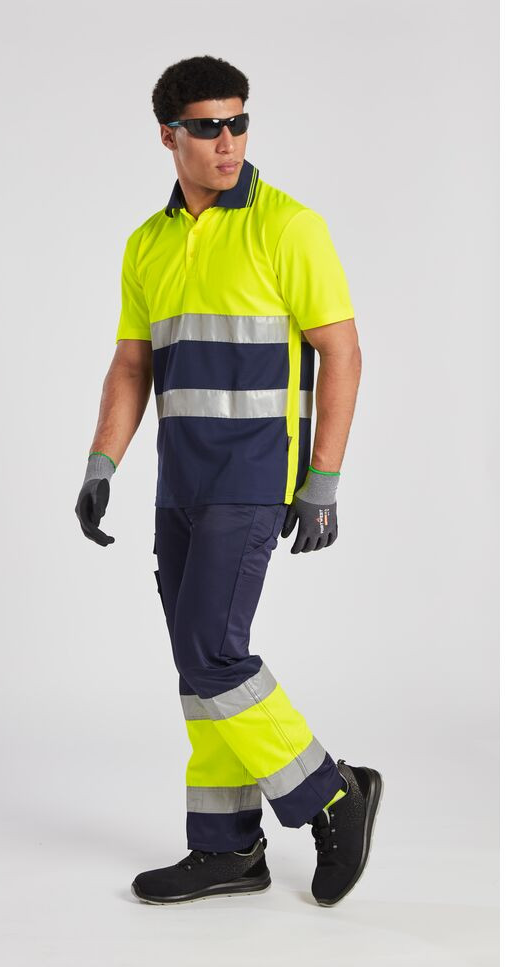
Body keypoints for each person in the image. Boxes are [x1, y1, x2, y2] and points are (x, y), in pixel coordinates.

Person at [75, 55, 383, 907]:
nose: (227, 141)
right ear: (168, 136)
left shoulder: (289, 226)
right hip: (179, 480)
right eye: (208, 126)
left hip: (252, 474)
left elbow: (342, 353)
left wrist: (323, 480)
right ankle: (226, 848)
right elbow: (132, 364)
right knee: (197, 660)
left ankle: (332, 793)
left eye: (238, 122)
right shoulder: (148, 243)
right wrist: (102, 463)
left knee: (212, 649)